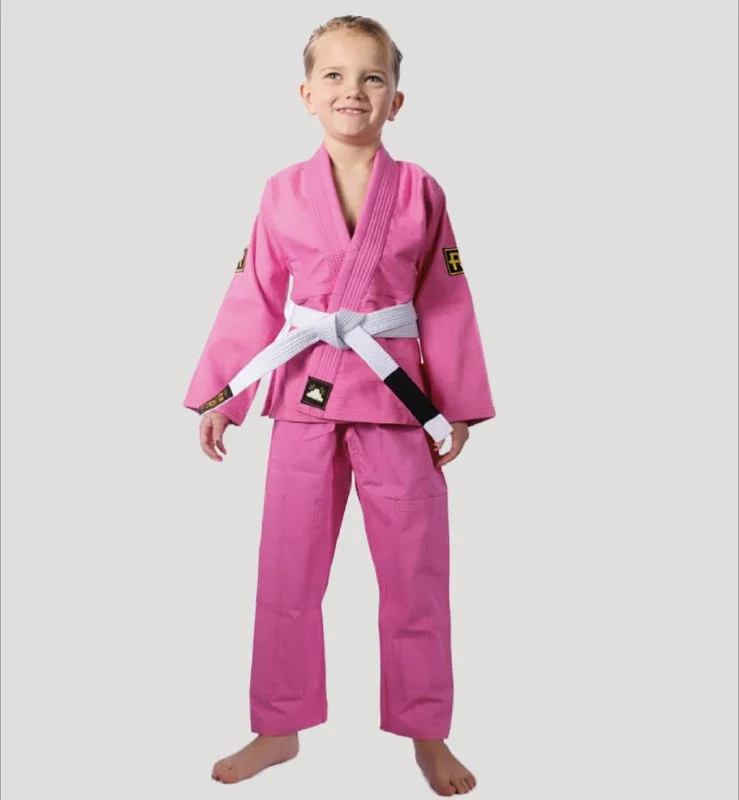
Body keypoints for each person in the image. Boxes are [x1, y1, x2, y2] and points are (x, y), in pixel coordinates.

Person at [183, 15, 496, 797]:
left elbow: (446, 299)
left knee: (415, 574)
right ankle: (278, 726)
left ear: (395, 100)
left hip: (396, 399)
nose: (351, 90)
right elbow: (254, 295)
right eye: (334, 75)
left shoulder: (419, 190)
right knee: (287, 572)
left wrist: (455, 404)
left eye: (371, 77)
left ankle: (427, 732)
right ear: (305, 94)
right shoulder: (280, 192)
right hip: (303, 396)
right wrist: (223, 394)